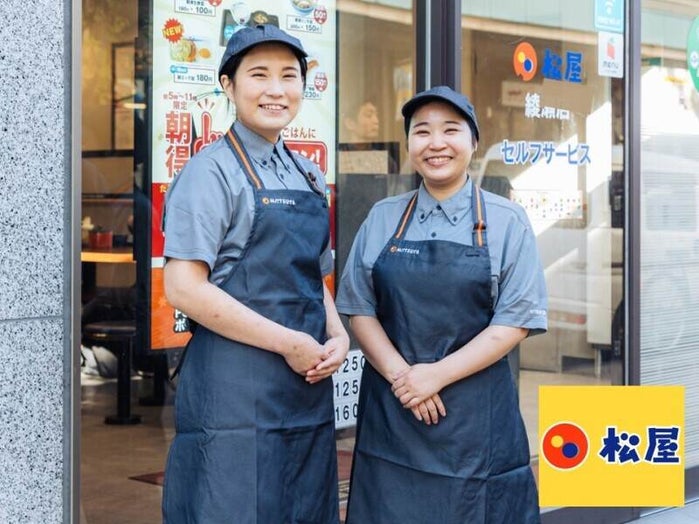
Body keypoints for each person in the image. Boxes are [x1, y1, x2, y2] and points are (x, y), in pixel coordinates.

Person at [161, 24, 349, 523]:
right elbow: (182, 287)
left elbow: (313, 273)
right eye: (259, 74)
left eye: (289, 76)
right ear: (229, 85)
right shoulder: (210, 172)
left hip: (305, 386)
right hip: (234, 392)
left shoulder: (308, 173)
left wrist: (337, 332)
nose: (276, 89)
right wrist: (289, 342)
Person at [336, 85, 548, 523]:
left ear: (473, 142)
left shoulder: (507, 222)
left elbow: (514, 321)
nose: (435, 143)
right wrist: (404, 379)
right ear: (409, 143)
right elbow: (360, 308)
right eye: (421, 132)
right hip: (393, 416)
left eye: (450, 130)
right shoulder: (383, 217)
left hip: (474, 424)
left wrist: (435, 376)